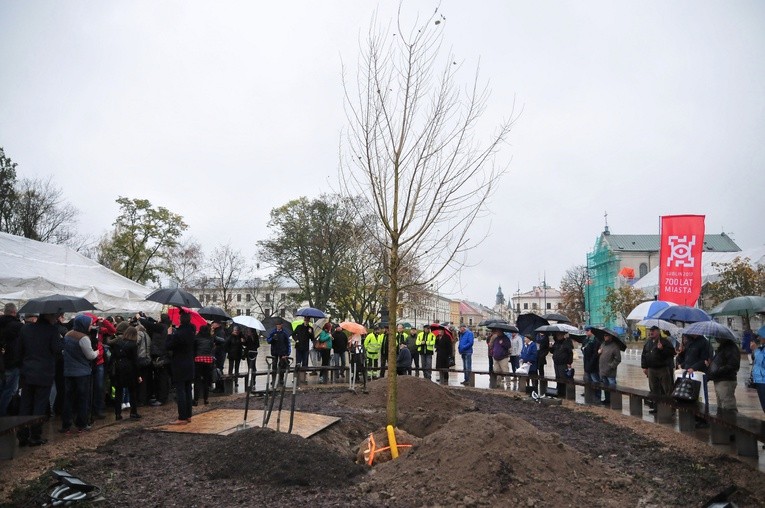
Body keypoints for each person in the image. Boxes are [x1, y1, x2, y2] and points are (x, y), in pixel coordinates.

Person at [17, 312, 62, 447]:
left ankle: (22, 435)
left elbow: (20, 350)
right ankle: (35, 436)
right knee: (39, 405)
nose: (56, 318)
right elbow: (57, 350)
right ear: (49, 316)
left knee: (25, 404)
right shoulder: (53, 330)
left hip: (27, 371)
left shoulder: (25, 328)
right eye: (55, 316)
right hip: (44, 373)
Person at [60, 315, 99, 433]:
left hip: (68, 371)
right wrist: (97, 352)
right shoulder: (83, 338)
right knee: (83, 399)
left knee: (68, 399)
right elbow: (90, 355)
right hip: (82, 373)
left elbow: (63, 351)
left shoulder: (68, 334)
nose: (91, 326)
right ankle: (82, 423)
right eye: (89, 324)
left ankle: (66, 424)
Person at [166, 311, 195, 425]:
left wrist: (169, 334)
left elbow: (168, 346)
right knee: (188, 390)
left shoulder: (179, 333)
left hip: (179, 365)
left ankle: (182, 417)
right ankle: (188, 415)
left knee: (180, 391)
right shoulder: (192, 331)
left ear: (180, 320)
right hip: (189, 364)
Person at [640, 325, 676, 413]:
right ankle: (656, 407)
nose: (651, 332)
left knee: (667, 389)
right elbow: (644, 355)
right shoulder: (648, 343)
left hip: (663, 369)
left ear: (658, 332)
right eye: (650, 331)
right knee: (654, 389)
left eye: (653, 331)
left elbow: (672, 353)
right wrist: (644, 367)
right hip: (651, 369)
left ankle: (670, 409)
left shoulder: (665, 342)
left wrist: (662, 349)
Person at [110, 326, 142, 420]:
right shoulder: (133, 345)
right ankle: (133, 412)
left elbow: (113, 357)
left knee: (118, 392)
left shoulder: (118, 343)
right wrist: (138, 375)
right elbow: (135, 361)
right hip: (129, 369)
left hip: (118, 368)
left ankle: (117, 413)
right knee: (132, 391)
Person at [705, 335, 740, 414]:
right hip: (719, 379)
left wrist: (718, 370)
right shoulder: (722, 348)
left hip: (726, 380)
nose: (717, 338)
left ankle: (731, 422)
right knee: (721, 405)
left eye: (718, 336)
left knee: (728, 405)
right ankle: (723, 422)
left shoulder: (731, 348)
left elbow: (733, 365)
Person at [0, 303, 23, 416]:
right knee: (9, 390)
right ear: (14, 312)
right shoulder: (18, 326)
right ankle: (2, 415)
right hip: (12, 362)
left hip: (1, 362)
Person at [598, 331, 622, 406]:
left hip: (611, 372)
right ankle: (607, 400)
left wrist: (611, 366)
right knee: (605, 387)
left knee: (612, 387)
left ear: (611, 337)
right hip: (602, 370)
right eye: (604, 335)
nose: (605, 337)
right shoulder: (602, 344)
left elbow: (618, 359)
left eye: (607, 335)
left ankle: (614, 401)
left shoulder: (615, 346)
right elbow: (600, 355)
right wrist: (598, 352)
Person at [266, 320, 291, 387]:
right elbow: (268, 341)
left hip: (282, 352)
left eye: (279, 324)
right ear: (276, 325)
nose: (278, 326)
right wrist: (272, 339)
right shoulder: (273, 332)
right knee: (274, 366)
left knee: (282, 366)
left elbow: (288, 343)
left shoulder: (285, 333)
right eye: (277, 324)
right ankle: (273, 379)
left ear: (281, 325)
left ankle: (281, 379)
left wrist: (287, 353)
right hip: (274, 352)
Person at [193, 324, 214, 405]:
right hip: (208, 360)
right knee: (206, 381)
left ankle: (196, 400)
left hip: (198, 359)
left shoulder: (196, 338)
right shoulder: (210, 338)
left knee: (197, 380)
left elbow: (194, 349)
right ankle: (206, 399)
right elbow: (212, 348)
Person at [581, 326, 602, 403]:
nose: (586, 332)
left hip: (593, 365)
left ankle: (597, 397)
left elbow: (595, 355)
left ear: (591, 331)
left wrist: (590, 364)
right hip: (586, 363)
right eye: (586, 330)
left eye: (588, 330)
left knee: (595, 381)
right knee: (588, 381)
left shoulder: (596, 341)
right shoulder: (585, 340)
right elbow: (583, 348)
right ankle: (590, 395)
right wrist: (583, 349)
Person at [551, 332, 574, 398]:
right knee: (557, 377)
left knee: (563, 378)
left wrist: (569, 363)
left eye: (559, 335)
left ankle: (563, 392)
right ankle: (559, 391)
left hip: (563, 363)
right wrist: (551, 347)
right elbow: (552, 351)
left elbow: (570, 353)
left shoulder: (566, 342)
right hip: (556, 363)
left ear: (562, 335)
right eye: (557, 335)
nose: (558, 336)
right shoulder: (556, 342)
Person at [752, 330, 765, 416]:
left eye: (761, 336)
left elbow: (761, 362)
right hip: (759, 380)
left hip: (763, 380)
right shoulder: (762, 348)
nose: (759, 338)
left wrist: (755, 350)